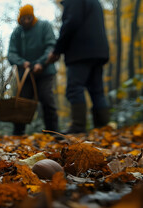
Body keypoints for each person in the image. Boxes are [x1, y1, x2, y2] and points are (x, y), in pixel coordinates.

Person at [46, 0, 110, 133]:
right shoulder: (95, 2)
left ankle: (78, 127)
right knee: (97, 91)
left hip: (80, 52)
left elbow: (71, 23)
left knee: (74, 88)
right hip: (99, 51)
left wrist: (57, 50)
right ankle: (103, 129)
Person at [7, 4, 59, 135]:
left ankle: (53, 132)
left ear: (33, 16)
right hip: (25, 73)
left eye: (28, 18)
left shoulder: (44, 26)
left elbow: (51, 46)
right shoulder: (17, 33)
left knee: (47, 99)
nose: (26, 21)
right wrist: (22, 62)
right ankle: (18, 134)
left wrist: (41, 63)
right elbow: (11, 54)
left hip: (45, 71)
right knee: (21, 102)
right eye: (23, 18)